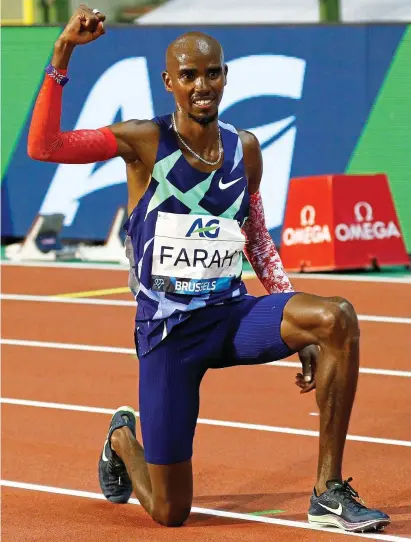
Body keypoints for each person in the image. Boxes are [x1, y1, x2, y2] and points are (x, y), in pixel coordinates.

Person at [27, 5, 390, 533]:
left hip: (230, 317)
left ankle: (328, 493)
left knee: (336, 318)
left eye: (213, 72)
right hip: (169, 334)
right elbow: (45, 146)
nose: (203, 84)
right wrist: (62, 53)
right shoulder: (142, 142)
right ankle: (124, 439)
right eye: (190, 75)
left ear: (225, 77)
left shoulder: (245, 149)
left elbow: (257, 238)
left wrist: (299, 324)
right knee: (172, 513)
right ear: (169, 81)